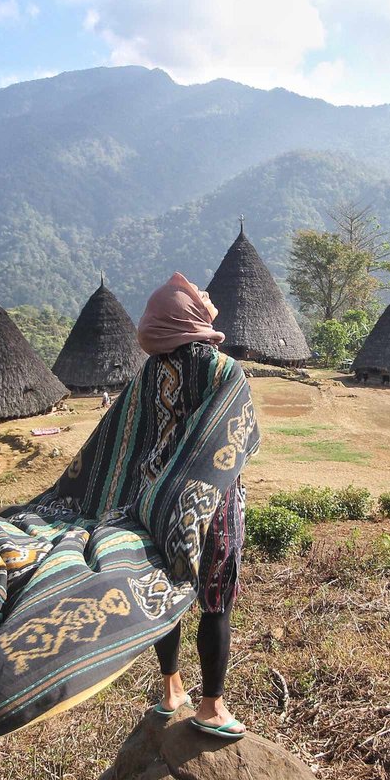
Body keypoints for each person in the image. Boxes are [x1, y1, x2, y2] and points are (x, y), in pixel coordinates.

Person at [137, 271, 251, 740]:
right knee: (216, 602)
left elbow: (131, 438)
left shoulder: (150, 373)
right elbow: (239, 436)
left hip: (158, 501)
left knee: (167, 594)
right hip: (214, 505)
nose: (206, 299)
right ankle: (212, 707)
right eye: (197, 300)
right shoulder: (224, 370)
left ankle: (171, 691)